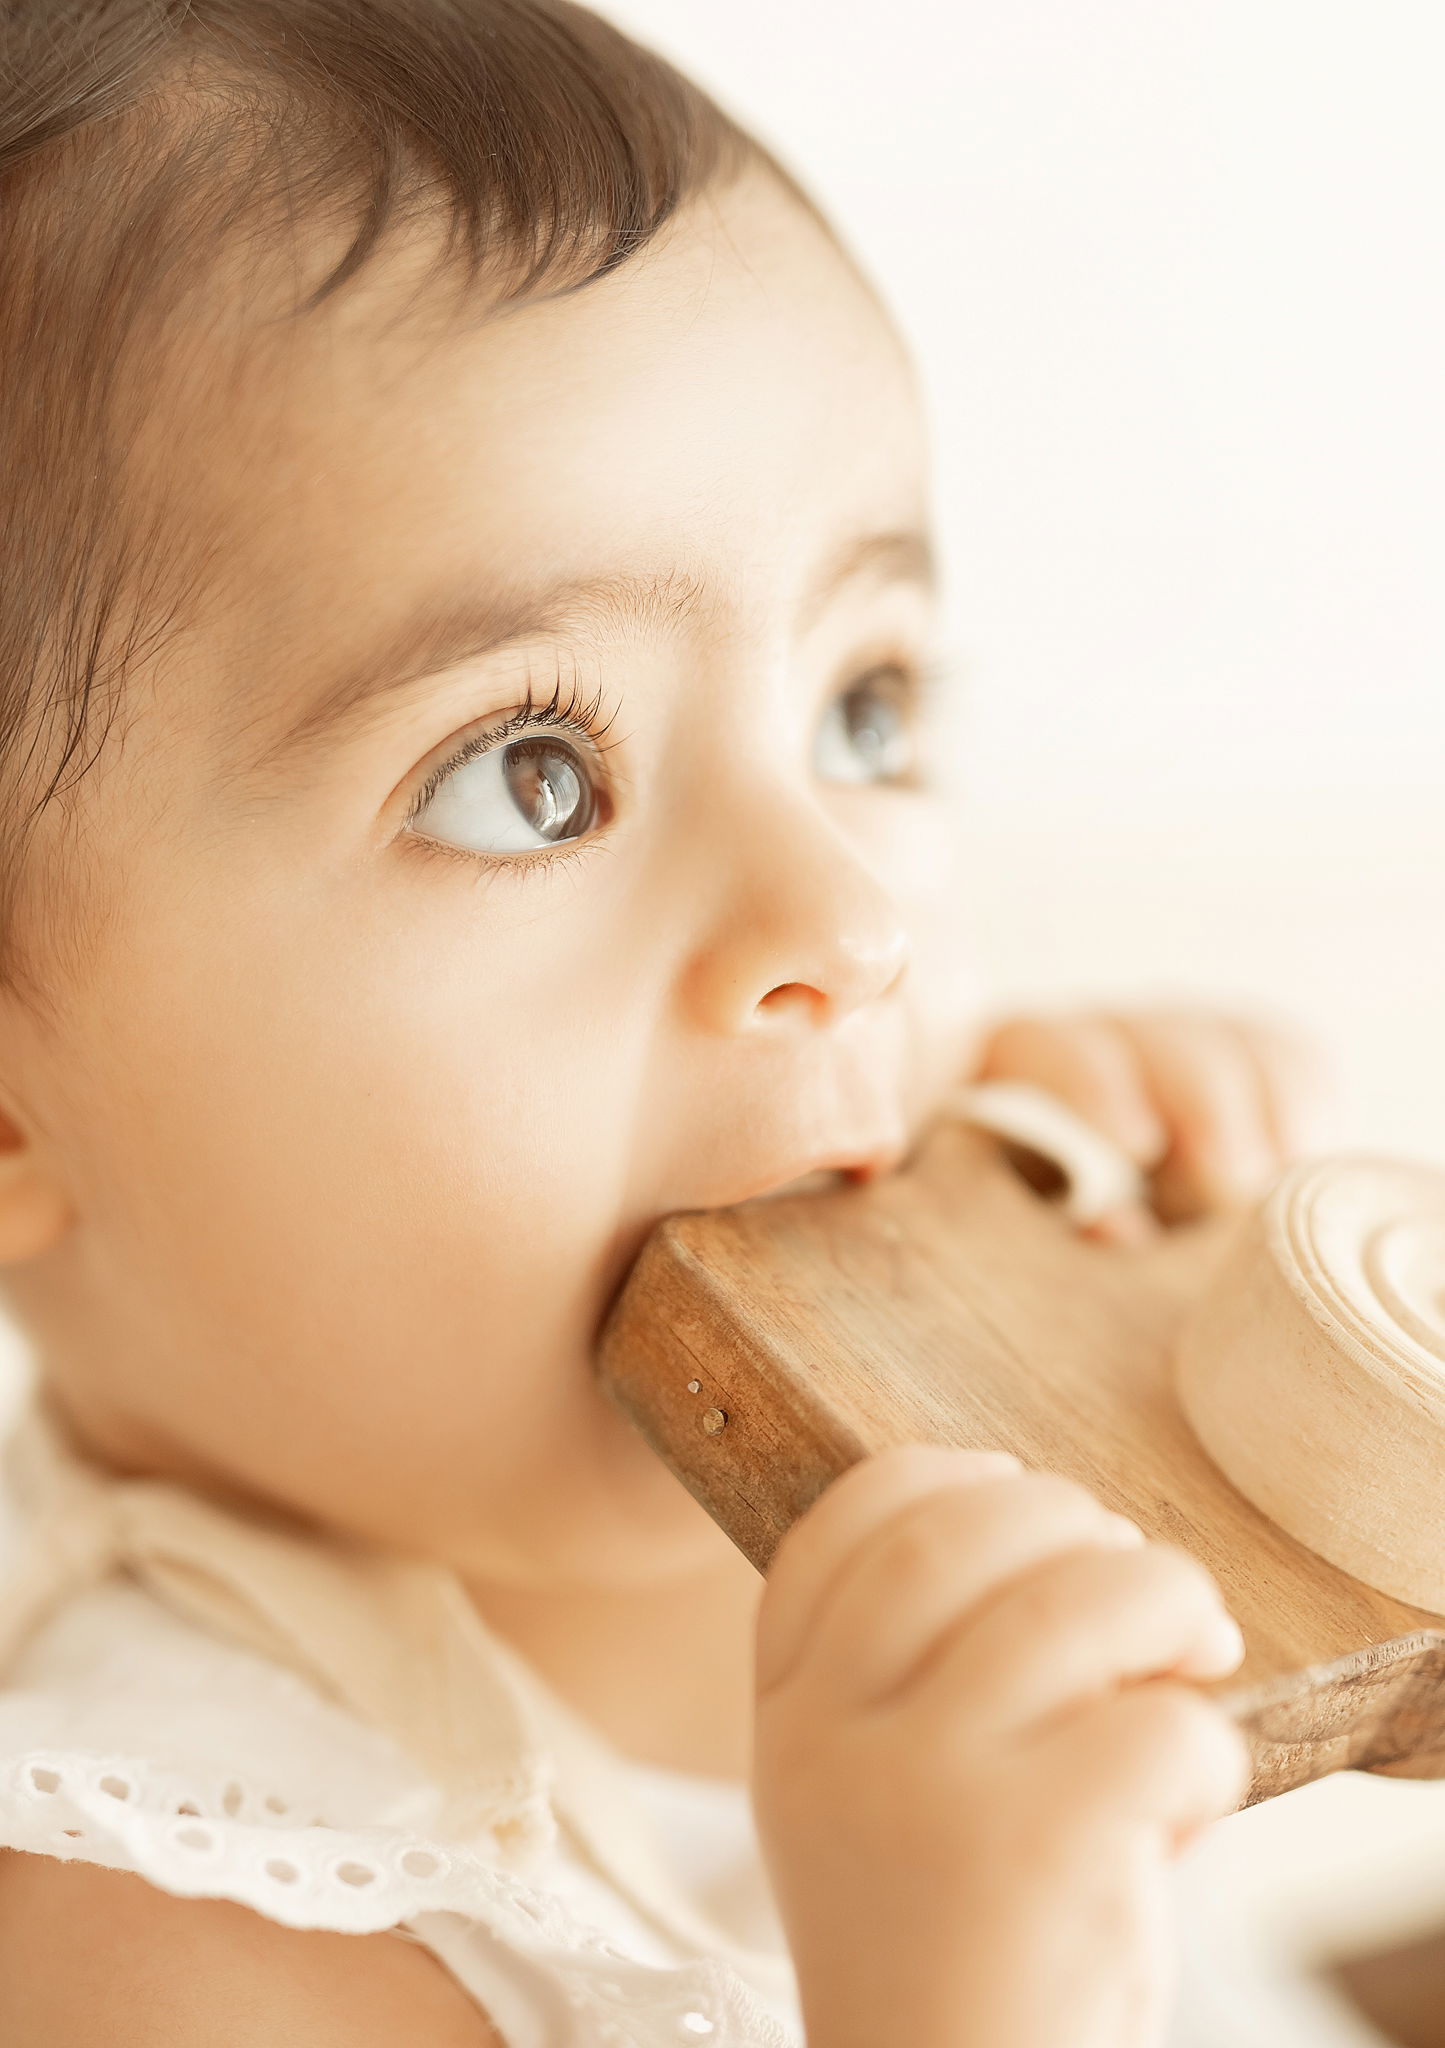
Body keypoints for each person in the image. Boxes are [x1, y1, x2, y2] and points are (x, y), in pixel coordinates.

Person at [0, 3, 1319, 2041]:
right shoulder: (150, 1943)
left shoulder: (741, 1479)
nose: (848, 926)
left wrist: (1148, 1341)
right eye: (530, 778)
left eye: (860, 711)